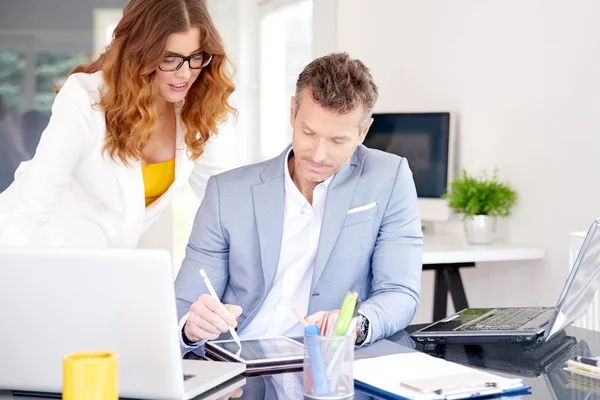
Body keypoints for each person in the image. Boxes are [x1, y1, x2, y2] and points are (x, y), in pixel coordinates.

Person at [175, 52, 423, 351]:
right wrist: (191, 326)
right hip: (242, 360)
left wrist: (356, 326)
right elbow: (185, 304)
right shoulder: (226, 192)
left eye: (337, 141)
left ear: (363, 132)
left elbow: (399, 291)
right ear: (292, 112)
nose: (319, 154)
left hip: (334, 362)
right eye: (308, 132)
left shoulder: (389, 177)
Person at [0, 0, 235, 247]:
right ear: (139, 52)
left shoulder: (198, 108)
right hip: (43, 245)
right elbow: (31, 207)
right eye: (169, 58)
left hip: (112, 261)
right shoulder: (85, 97)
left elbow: (223, 200)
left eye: (196, 57)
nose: (185, 73)